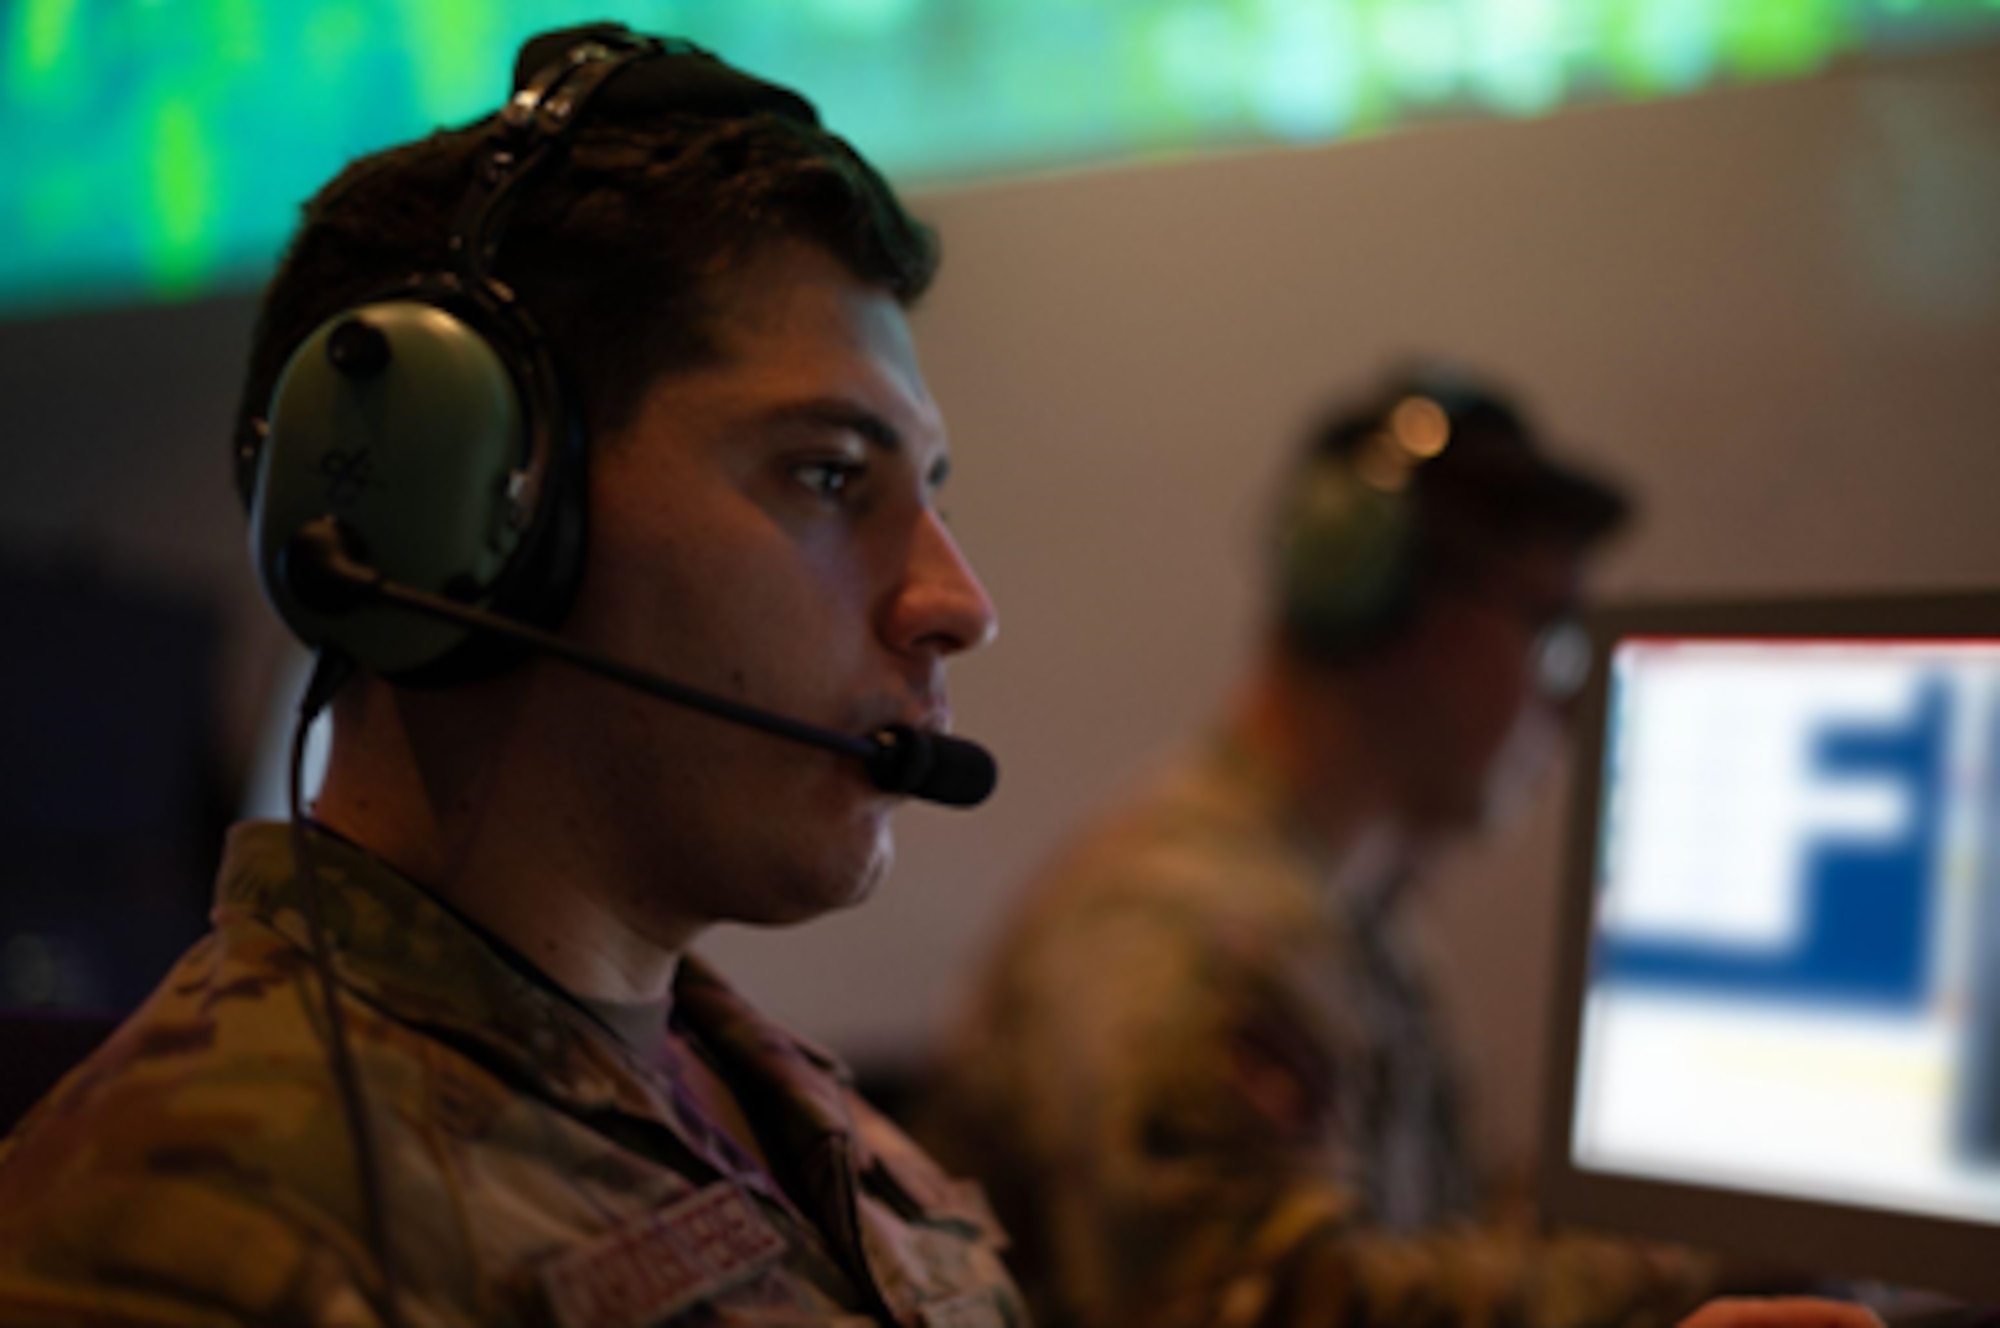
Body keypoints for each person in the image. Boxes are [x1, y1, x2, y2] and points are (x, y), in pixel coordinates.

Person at [0, 26, 1022, 1327]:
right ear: (463, 511)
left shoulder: (799, 1124)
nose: (956, 606)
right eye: (828, 475)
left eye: (924, 494)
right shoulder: (181, 1239)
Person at [923, 373, 1715, 1328]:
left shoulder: (1354, 910)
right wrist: (1688, 1271)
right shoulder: (1188, 933)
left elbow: (1431, 1228)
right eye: (1553, 637)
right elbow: (1265, 1309)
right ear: (1389, 610)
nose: (1570, 703)